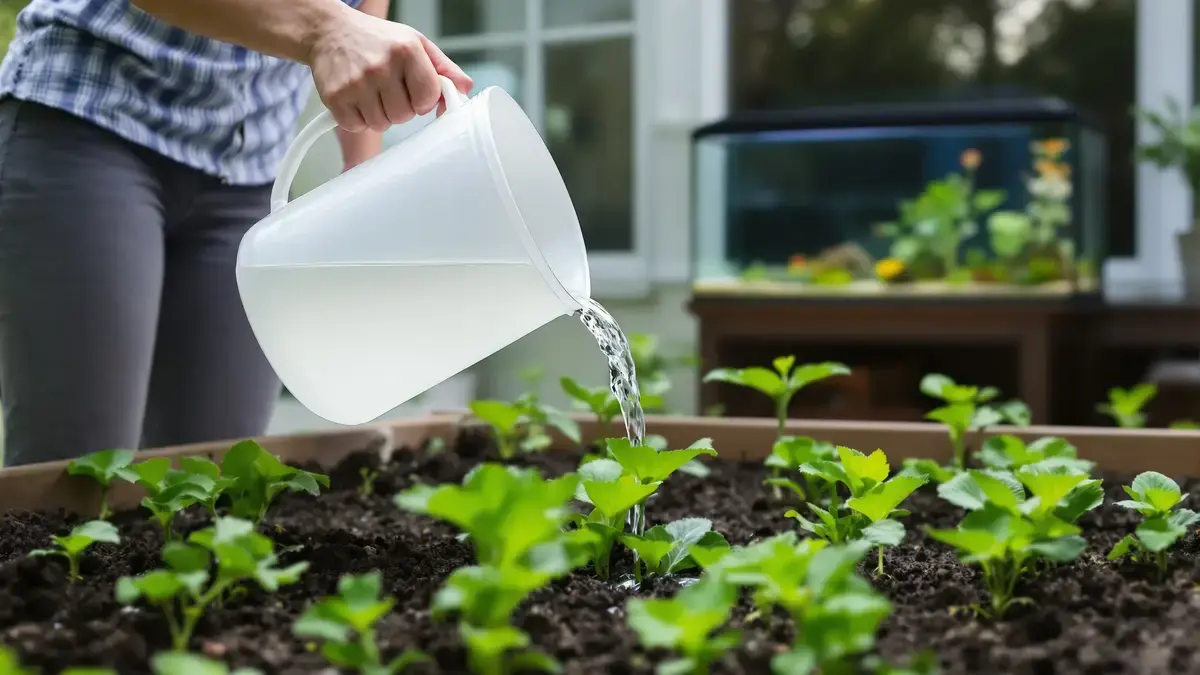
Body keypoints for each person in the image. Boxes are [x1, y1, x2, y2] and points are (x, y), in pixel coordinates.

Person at [0, 0, 472, 467]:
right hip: (91, 118)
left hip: (248, 170)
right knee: (77, 475)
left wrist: (362, 173)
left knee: (216, 478)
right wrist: (327, 28)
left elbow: (365, 14)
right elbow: (341, 27)